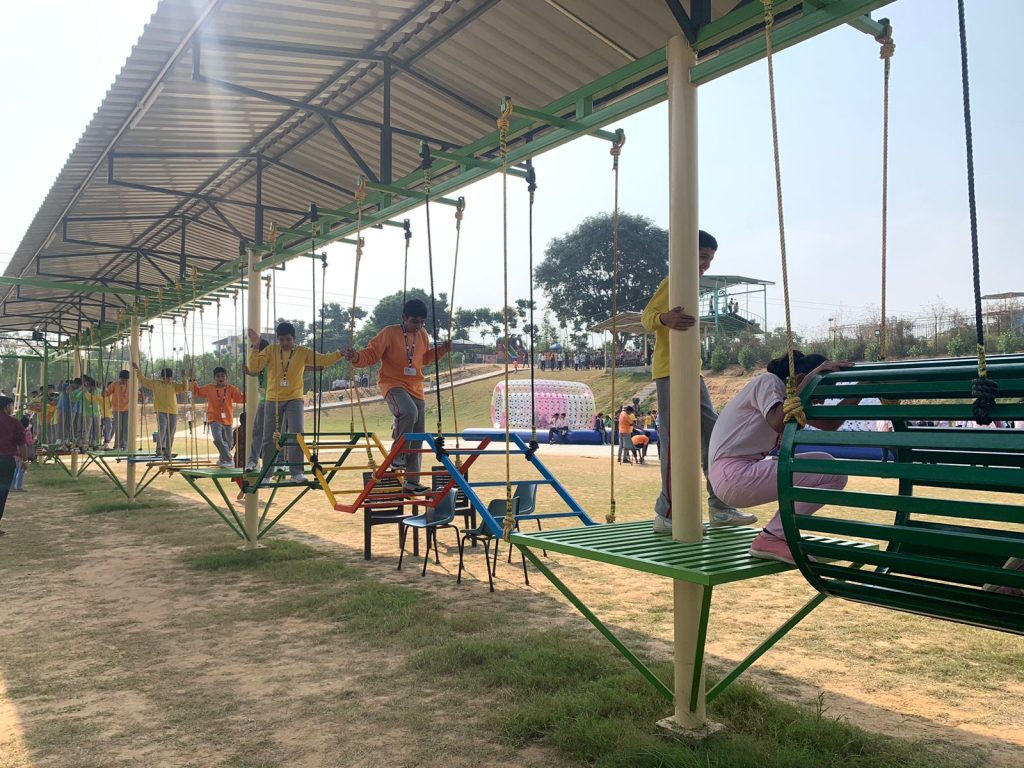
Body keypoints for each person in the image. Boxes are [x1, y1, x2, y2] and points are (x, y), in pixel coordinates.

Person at [641, 229, 755, 533]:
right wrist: (664, 319)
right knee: (673, 438)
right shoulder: (673, 282)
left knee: (714, 433)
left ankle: (720, 505)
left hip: (692, 372)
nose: (706, 264)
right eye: (703, 257)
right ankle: (667, 512)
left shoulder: (691, 286)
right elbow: (647, 316)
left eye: (710, 259)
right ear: (687, 253)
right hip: (669, 371)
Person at [708, 352, 859, 564]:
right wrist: (810, 379)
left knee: (830, 467)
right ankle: (772, 536)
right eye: (821, 393)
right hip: (733, 475)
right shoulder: (768, 382)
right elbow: (777, 422)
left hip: (735, 474)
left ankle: (774, 535)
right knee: (832, 471)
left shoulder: (787, 397)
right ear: (800, 378)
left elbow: (829, 424)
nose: (822, 401)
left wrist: (862, 387)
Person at [343, 299, 450, 493]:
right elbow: (372, 354)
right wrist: (356, 357)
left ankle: (412, 482)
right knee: (408, 412)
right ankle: (397, 455)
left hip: (415, 387)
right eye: (414, 321)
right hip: (392, 383)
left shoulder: (422, 334)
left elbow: (424, 359)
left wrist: (442, 350)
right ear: (404, 318)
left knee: (417, 435)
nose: (418, 326)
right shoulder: (390, 333)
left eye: (422, 322)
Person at [248, 322, 344, 484]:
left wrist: (340, 353)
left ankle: (297, 472)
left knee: (297, 435)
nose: (285, 343)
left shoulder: (302, 351)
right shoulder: (271, 350)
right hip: (273, 399)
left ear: (294, 338)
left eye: (288, 339)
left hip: (294, 398)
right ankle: (267, 474)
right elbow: (254, 367)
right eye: (281, 340)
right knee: (269, 437)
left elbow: (323, 360)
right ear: (277, 339)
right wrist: (255, 347)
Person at [191, 366, 245, 468]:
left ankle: (222, 459)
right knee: (218, 438)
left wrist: (253, 394)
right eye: (218, 376)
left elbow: (240, 398)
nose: (220, 378)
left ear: (226, 377)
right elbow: (196, 392)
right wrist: (192, 380)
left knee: (229, 443)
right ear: (214, 378)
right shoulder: (209, 388)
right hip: (214, 418)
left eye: (223, 376)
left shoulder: (231, 389)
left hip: (228, 419)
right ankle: (228, 459)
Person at [132, 364, 187, 459]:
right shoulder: (156, 383)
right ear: (162, 377)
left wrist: (184, 377)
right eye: (166, 378)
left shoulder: (173, 385)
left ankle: (168, 451)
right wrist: (137, 370)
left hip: (173, 411)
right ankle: (160, 448)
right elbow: (143, 380)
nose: (168, 379)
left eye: (169, 378)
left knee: (171, 432)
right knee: (162, 428)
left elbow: (184, 388)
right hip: (160, 410)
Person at [0, 396, 27, 534]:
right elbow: (22, 444)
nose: (12, 408)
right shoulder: (13, 423)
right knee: (1, 493)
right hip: (5, 462)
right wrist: (25, 460)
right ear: (6, 407)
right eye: (11, 406)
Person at [243, 338, 270, 472]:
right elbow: (257, 371)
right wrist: (249, 372)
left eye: (256, 350)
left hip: (275, 401)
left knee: (274, 434)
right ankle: (253, 461)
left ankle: (278, 462)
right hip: (263, 401)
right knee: (257, 432)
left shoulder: (272, 362)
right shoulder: (260, 365)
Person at [106, 371, 131, 451]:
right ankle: (118, 445)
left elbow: (137, 394)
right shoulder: (115, 384)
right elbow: (107, 393)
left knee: (126, 427)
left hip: (127, 409)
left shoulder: (131, 385)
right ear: (120, 378)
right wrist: (104, 393)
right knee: (118, 427)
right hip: (117, 409)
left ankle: (125, 445)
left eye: (126, 380)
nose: (124, 382)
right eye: (122, 380)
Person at [12, 416, 33, 492]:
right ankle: (19, 486)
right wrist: (35, 439)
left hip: (16, 453)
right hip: (23, 452)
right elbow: (29, 443)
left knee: (15, 470)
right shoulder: (27, 432)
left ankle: (12, 486)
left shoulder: (16, 431)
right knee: (22, 470)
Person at [100, 381, 114, 448]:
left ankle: (107, 441)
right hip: (106, 414)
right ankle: (106, 442)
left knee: (112, 429)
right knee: (108, 428)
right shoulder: (106, 394)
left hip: (114, 414)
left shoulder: (114, 394)